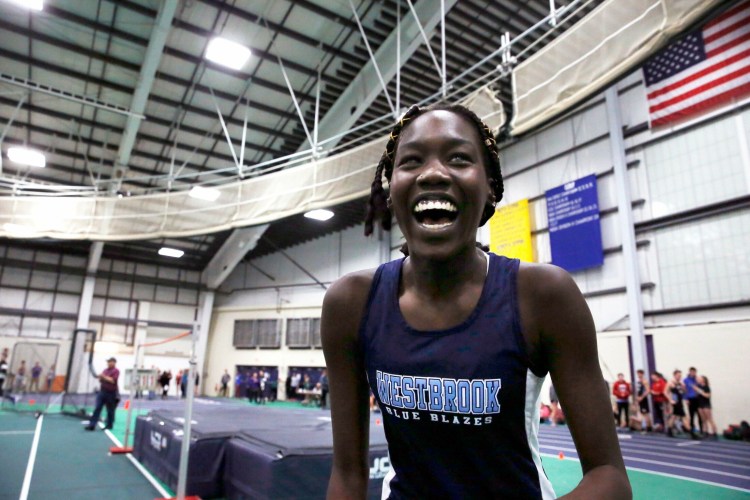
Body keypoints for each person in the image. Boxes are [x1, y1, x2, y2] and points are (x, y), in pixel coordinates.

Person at [321, 104, 630, 499]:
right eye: (411, 161)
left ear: (490, 190)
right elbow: (347, 475)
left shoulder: (543, 296)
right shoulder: (350, 304)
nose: (432, 173)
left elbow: (609, 477)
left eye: (459, 159)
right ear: (391, 187)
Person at [85, 357, 119, 431]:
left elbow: (112, 380)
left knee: (110, 410)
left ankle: (109, 425)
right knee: (97, 408)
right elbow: (101, 380)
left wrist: (103, 377)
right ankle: (92, 425)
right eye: (108, 362)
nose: (108, 363)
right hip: (102, 392)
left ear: (114, 363)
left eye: (110, 362)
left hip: (111, 393)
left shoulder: (116, 371)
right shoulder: (105, 370)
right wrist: (101, 378)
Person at [695, 375, 717, 439]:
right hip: (700, 404)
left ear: (703, 380)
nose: (698, 379)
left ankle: (714, 432)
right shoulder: (698, 386)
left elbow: (707, 395)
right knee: (703, 420)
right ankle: (705, 432)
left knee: (710, 419)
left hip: (706, 405)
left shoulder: (706, 387)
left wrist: (699, 391)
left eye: (700, 378)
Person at [666, 369, 687, 437]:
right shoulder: (670, 383)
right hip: (675, 402)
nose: (679, 377)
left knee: (673, 416)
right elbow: (665, 392)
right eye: (678, 375)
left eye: (680, 375)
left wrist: (683, 387)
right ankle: (691, 432)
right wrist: (670, 400)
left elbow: (684, 392)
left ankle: (669, 430)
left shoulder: (681, 383)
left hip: (680, 401)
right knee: (684, 417)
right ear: (674, 375)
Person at [683, 366, 702, 437]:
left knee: (700, 415)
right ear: (689, 372)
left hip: (697, 399)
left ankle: (701, 430)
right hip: (690, 399)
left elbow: (701, 387)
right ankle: (692, 431)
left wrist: (698, 380)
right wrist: (686, 399)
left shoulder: (697, 379)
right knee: (692, 415)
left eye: (694, 372)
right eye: (692, 372)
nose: (693, 373)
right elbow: (684, 390)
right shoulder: (686, 380)